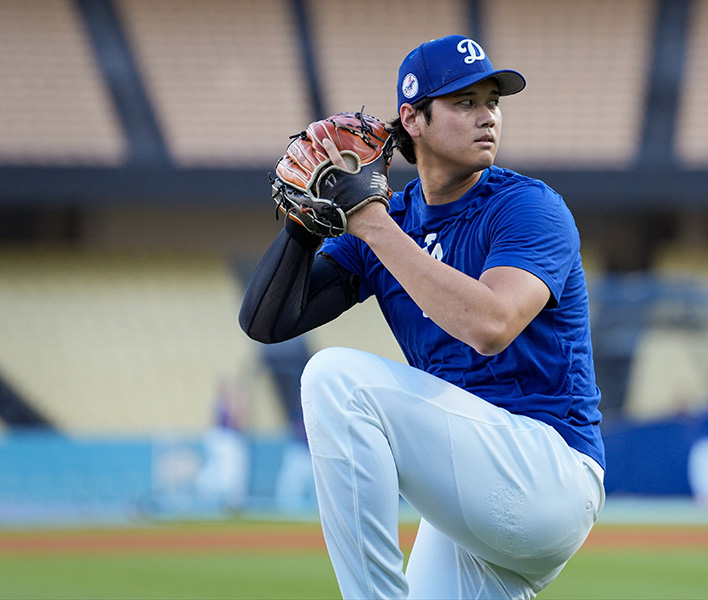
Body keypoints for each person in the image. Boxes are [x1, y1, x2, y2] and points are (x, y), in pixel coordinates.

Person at [239, 34, 606, 599]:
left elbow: (490, 326)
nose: (488, 116)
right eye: (465, 102)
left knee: (335, 379)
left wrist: (370, 222)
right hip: (472, 485)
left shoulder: (527, 207)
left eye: (493, 102)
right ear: (413, 119)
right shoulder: (395, 218)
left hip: (546, 472)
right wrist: (302, 226)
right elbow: (267, 323)